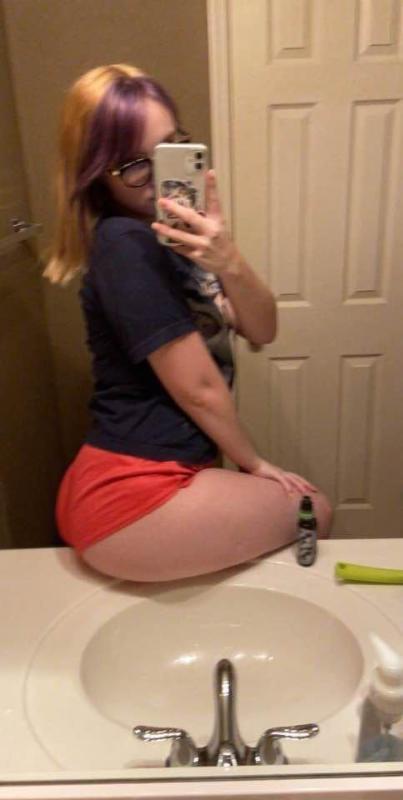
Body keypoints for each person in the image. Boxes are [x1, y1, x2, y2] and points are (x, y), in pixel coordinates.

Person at [44, 64, 332, 582]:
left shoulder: (176, 243)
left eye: (173, 148)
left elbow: (262, 329)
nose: (159, 175)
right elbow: (197, 388)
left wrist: (228, 259)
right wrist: (254, 464)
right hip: (132, 489)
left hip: (143, 476)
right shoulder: (125, 245)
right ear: (98, 173)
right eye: (136, 164)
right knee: (316, 511)